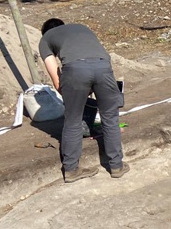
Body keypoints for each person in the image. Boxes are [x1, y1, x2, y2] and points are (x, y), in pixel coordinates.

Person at [38, 18, 128, 182]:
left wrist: (73, 95)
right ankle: (116, 166)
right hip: (104, 67)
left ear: (45, 32)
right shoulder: (81, 27)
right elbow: (95, 55)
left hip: (75, 70)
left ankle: (71, 169)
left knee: (73, 120)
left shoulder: (45, 39)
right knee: (111, 117)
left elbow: (56, 79)